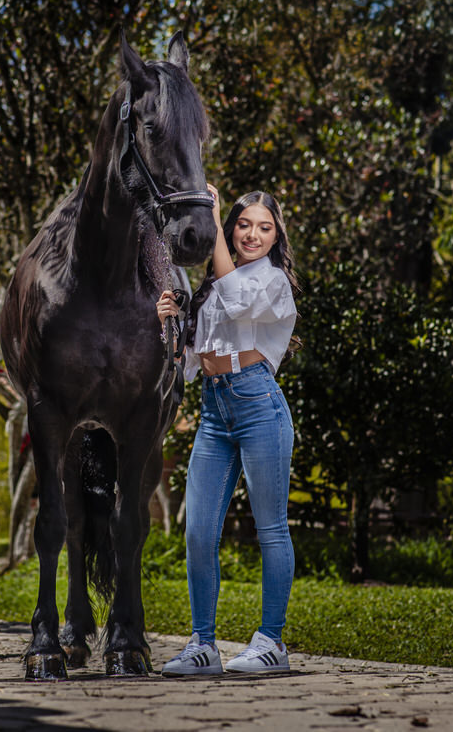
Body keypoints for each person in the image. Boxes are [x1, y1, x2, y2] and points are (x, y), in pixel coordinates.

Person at [155, 184, 298, 676]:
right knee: (198, 531)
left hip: (260, 404)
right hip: (215, 410)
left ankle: (272, 642)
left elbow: (240, 304)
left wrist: (212, 224)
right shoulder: (213, 286)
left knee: (271, 527)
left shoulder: (273, 281)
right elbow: (192, 364)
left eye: (264, 227)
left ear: (276, 235)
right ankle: (203, 645)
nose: (252, 234)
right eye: (243, 224)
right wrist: (172, 322)